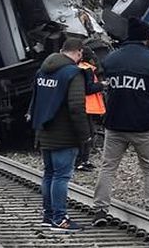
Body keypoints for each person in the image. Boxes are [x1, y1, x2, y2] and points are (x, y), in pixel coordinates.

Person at [93, 18, 149, 226]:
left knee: (108, 167)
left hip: (115, 124)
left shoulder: (111, 60)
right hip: (145, 125)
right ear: (146, 38)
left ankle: (100, 209)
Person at [30, 37, 90, 232]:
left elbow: (35, 100)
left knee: (49, 174)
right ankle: (59, 218)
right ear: (79, 52)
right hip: (64, 134)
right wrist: (84, 134)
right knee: (61, 177)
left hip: (44, 131)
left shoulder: (42, 71)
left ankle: (48, 217)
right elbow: (76, 107)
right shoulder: (73, 73)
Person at [75, 47, 105, 171]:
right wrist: (102, 85)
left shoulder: (81, 68)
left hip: (86, 106)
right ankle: (81, 161)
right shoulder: (86, 70)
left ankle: (83, 160)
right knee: (87, 134)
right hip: (86, 106)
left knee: (88, 134)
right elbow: (89, 88)